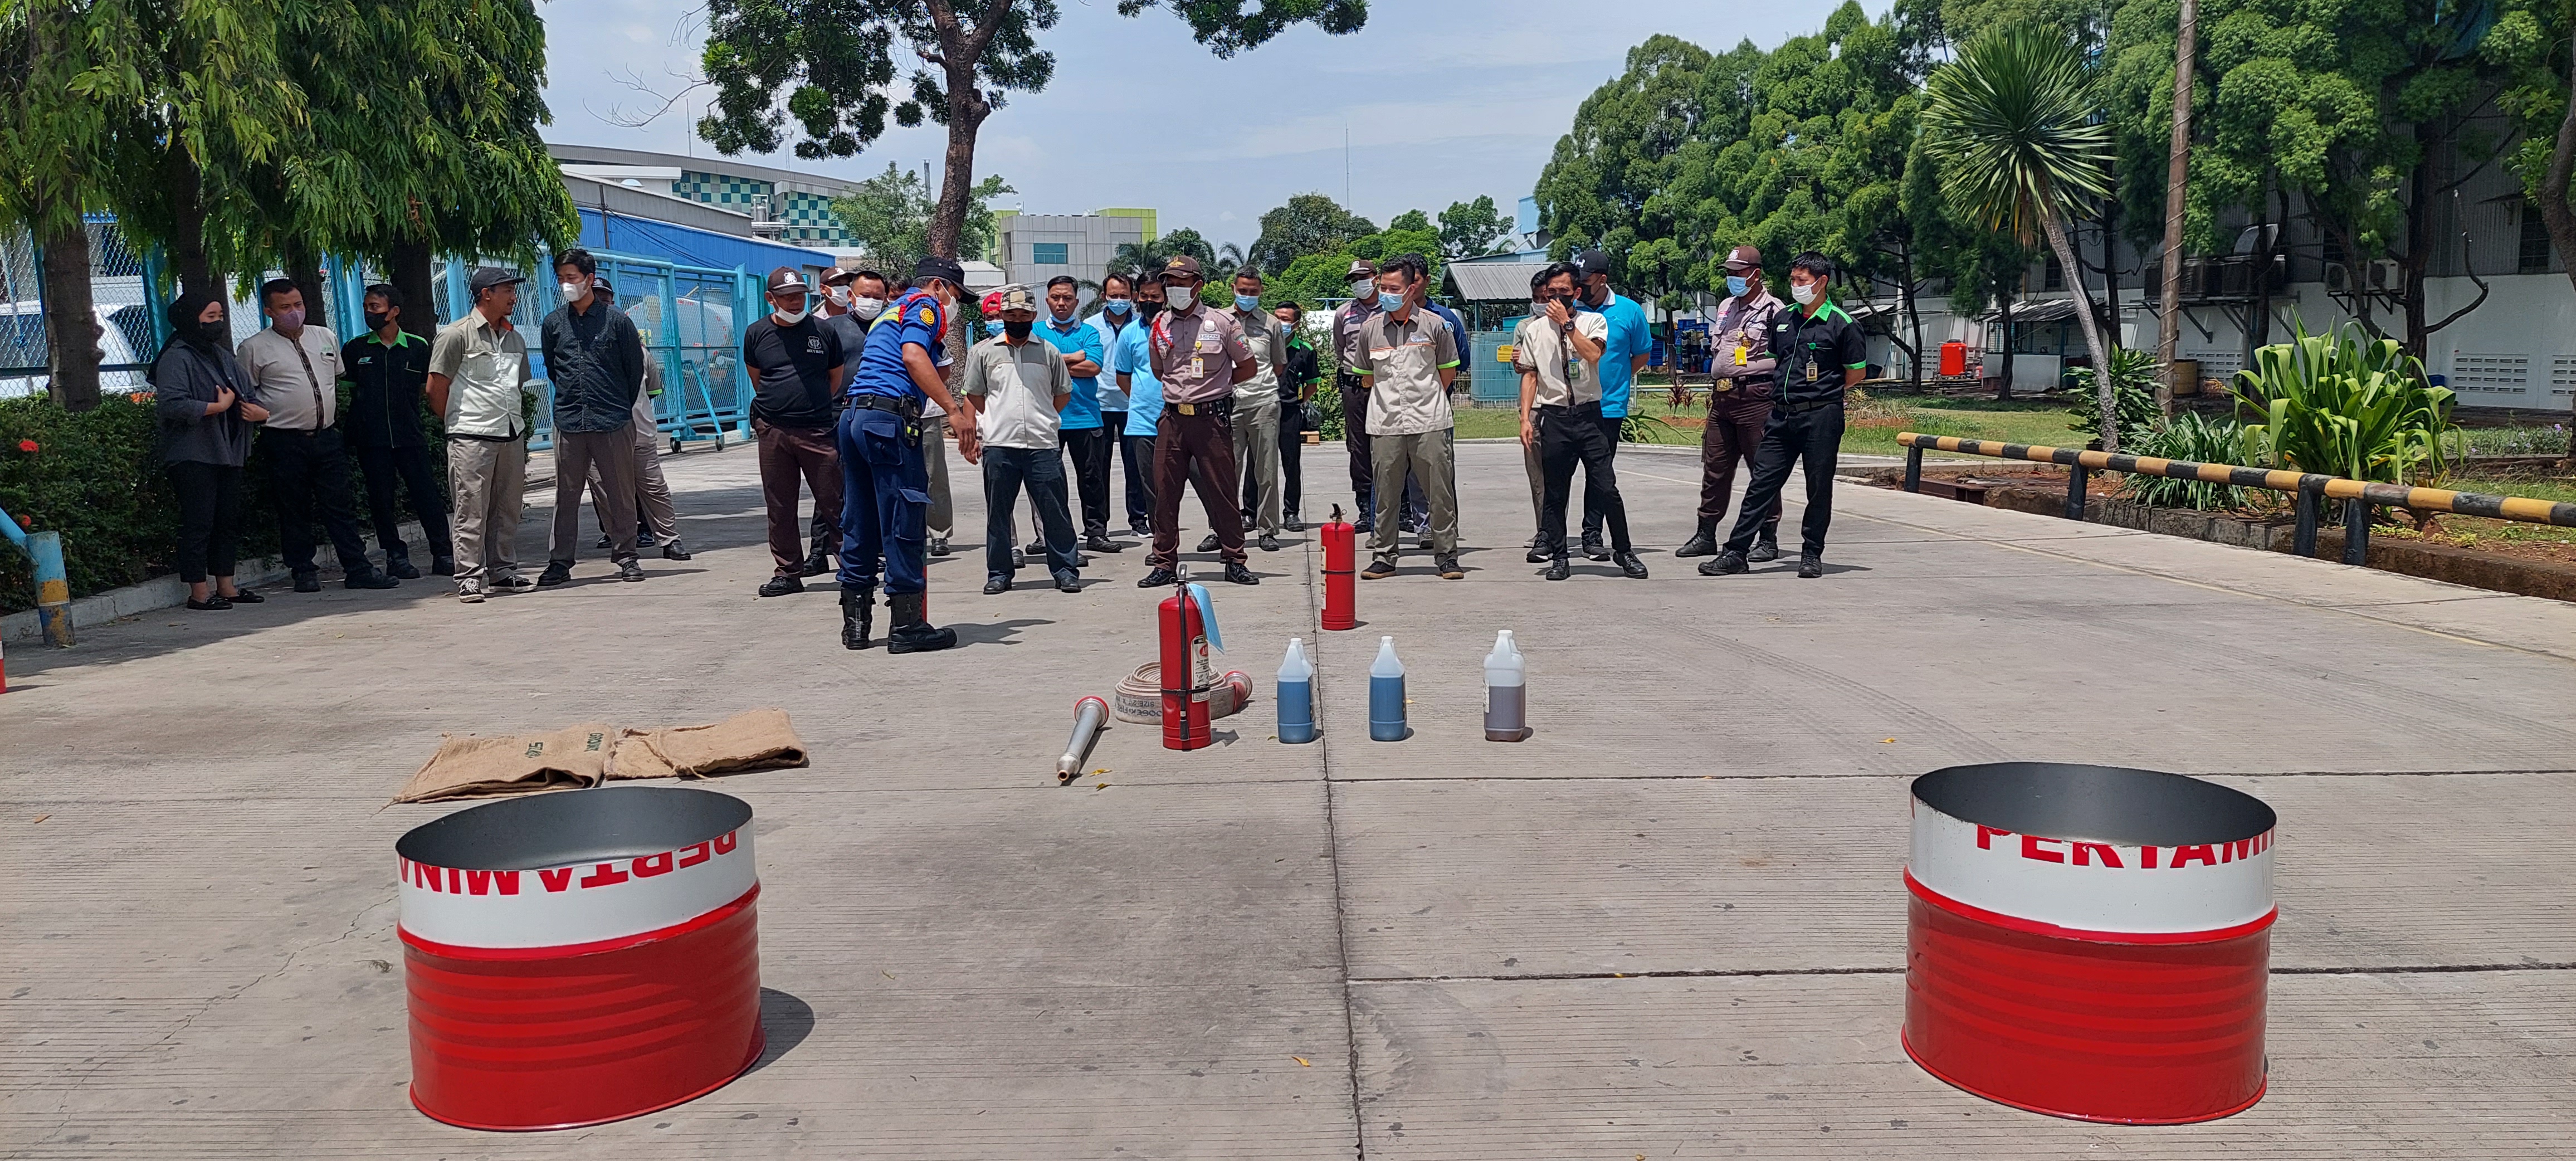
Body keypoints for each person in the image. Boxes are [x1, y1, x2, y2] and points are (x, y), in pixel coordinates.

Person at [835, 255, 976, 653]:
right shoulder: (925, 305)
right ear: (938, 286)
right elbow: (914, 357)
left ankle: (857, 626)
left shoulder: (891, 311)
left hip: (854, 417)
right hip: (888, 422)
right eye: (955, 295)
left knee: (860, 520)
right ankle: (907, 625)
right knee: (904, 518)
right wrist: (954, 411)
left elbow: (924, 364)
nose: (954, 303)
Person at [1704, 251, 1866, 580]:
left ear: (1821, 282)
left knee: (1818, 487)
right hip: (1781, 416)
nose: (1795, 286)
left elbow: (1855, 374)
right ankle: (1736, 552)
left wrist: (1821, 393)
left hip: (1820, 417)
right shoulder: (1784, 320)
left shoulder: (1842, 324)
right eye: (1792, 280)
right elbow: (1779, 361)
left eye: (1801, 281)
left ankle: (1811, 554)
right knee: (1761, 483)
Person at [237, 278, 398, 592]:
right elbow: (246, 393)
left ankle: (357, 568)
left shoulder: (324, 336)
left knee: (340, 505)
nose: (294, 312)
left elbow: (335, 378)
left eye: (298, 305)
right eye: (285, 307)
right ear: (269, 311)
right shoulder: (254, 348)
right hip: (284, 439)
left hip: (326, 436)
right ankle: (303, 570)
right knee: (293, 507)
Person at [1516, 262, 1647, 580]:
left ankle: (1624, 551)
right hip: (1555, 417)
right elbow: (1530, 375)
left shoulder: (1594, 321)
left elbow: (1592, 356)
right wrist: (1525, 418)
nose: (1556, 298)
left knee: (1606, 487)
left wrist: (1568, 325)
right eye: (1551, 293)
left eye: (1563, 292)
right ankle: (1560, 556)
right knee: (1556, 492)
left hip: (1590, 417)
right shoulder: (1534, 331)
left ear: (1576, 292)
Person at [1136, 256, 1259, 587]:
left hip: (1212, 420)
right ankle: (1164, 562)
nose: (1175, 288)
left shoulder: (1222, 323)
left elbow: (1248, 367)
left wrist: (1216, 386)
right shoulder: (1159, 325)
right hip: (1173, 420)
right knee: (1165, 492)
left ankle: (1234, 558)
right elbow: (1160, 370)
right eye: (1170, 283)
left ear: (1198, 285)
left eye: (1181, 282)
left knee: (1222, 491)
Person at [427, 267, 540, 603]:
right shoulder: (456, 335)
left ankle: (503, 572)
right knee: (471, 508)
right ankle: (469, 576)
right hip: (471, 436)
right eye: (507, 290)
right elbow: (436, 388)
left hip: (510, 432)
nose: (513, 297)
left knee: (507, 508)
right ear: (486, 293)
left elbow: (517, 385)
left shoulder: (515, 337)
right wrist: (459, 422)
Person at [538, 248, 649, 585]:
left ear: (589, 279)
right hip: (570, 421)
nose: (566, 284)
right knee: (566, 495)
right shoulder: (554, 323)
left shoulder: (618, 322)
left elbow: (633, 373)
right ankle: (560, 562)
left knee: (619, 492)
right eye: (561, 279)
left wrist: (616, 406)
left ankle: (627, 555)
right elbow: (554, 370)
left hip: (612, 420)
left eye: (572, 278)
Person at [960, 284, 1080, 594]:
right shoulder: (984, 352)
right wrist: (993, 421)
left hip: (1042, 444)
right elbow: (975, 394)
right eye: (1011, 313)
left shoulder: (1049, 351)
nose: (1017, 319)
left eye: (1024, 314)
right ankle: (999, 572)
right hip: (1000, 445)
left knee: (1055, 511)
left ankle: (1066, 570)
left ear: (1034, 315)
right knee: (999, 512)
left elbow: (1061, 394)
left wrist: (1041, 417)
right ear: (1002, 315)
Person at [1352, 256, 1464, 580]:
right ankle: (1384, 556)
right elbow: (1366, 377)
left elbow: (1447, 372)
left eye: (1393, 288)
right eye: (1382, 287)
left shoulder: (1435, 325)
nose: (1386, 293)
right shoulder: (1370, 330)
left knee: (1440, 493)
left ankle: (1447, 556)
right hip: (1385, 424)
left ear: (1412, 288)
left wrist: (1423, 399)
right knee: (1386, 494)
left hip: (1430, 421)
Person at [153, 292, 264, 610]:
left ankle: (227, 586)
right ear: (191, 319)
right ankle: (199, 593)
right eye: (210, 317)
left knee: (226, 520)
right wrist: (217, 407)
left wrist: (257, 411)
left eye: (219, 317)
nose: (217, 323)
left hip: (228, 451)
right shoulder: (177, 356)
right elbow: (173, 403)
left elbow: (246, 390)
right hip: (194, 454)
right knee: (199, 522)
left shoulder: (219, 354)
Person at [744, 266, 847, 598]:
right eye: (787, 297)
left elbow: (835, 378)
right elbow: (758, 378)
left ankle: (851, 566)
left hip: (817, 430)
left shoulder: (824, 332)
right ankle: (788, 572)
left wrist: (811, 408)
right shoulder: (756, 333)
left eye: (799, 296)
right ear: (770, 299)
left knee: (835, 501)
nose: (794, 302)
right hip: (773, 430)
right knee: (780, 505)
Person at [338, 284, 453, 580]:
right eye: (366, 307)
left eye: (375, 307)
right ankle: (395, 556)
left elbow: (427, 390)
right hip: (372, 440)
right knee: (381, 499)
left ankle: (443, 553)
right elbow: (351, 393)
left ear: (395, 311)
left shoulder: (417, 348)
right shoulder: (355, 349)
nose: (369, 312)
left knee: (426, 494)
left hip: (409, 435)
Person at [1676, 245, 1784, 561]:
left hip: (1756, 397)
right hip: (1722, 398)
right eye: (1729, 272)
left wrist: (1753, 373)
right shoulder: (1726, 306)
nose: (1732, 278)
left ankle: (1767, 538)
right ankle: (1706, 533)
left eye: (1738, 272)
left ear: (1755, 274)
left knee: (1762, 470)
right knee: (1715, 468)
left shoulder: (1774, 310)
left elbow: (1784, 358)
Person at [584, 277, 691, 564]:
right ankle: (623, 544)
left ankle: (669, 540)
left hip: (639, 433)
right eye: (596, 300)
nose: (603, 307)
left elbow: (653, 390)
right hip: (598, 432)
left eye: (606, 301)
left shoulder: (638, 348)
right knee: (607, 492)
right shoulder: (579, 346)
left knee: (653, 487)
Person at [1571, 248, 1653, 560]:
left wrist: (1619, 378)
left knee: (1599, 475)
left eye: (1585, 281)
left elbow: (1642, 354)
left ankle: (1592, 535)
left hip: (1608, 408)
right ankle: (1549, 536)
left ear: (1602, 280)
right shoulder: (1571, 312)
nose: (1580, 287)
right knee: (1560, 473)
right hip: (1570, 405)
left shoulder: (1629, 312)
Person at [1037, 276, 1120, 554]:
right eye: (1056, 298)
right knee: (1047, 481)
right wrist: (1075, 357)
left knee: (1092, 479)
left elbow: (1094, 367)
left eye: (1068, 298)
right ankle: (1048, 535)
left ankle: (1097, 532)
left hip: (1086, 417)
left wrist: (1053, 363)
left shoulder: (1089, 332)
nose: (1062, 303)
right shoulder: (1036, 332)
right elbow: (1036, 367)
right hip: (1047, 420)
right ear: (1047, 300)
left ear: (1076, 301)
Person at [1216, 267, 1289, 553]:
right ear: (1233, 288)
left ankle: (1268, 529)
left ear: (1261, 291)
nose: (1247, 296)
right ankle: (1222, 529)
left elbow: (1278, 365)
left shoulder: (1271, 324)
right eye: (1243, 290)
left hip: (1263, 404)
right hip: (1228, 404)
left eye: (1253, 291)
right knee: (1224, 472)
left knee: (1267, 471)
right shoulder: (1218, 320)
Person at [1087, 273, 1149, 537]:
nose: (1119, 301)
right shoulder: (1090, 327)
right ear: (1104, 297)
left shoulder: (1142, 326)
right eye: (1114, 296)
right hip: (1099, 405)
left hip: (1132, 406)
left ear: (1133, 297)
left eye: (1124, 296)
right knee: (1097, 469)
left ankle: (1139, 520)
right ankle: (1098, 524)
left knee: (1136, 467)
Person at [1111, 272, 1167, 542]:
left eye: (1155, 296)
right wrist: (1142, 398)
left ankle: (1223, 537)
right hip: (1142, 422)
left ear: (1165, 298)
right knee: (1151, 488)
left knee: (1201, 482)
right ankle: (1162, 544)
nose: (1149, 301)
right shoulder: (1129, 334)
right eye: (1144, 296)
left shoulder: (1176, 328)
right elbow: (1123, 376)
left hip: (1179, 419)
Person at [1329, 260, 1382, 533]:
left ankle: (1399, 509)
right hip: (1355, 386)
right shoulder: (1343, 313)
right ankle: (1364, 507)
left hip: (1386, 387)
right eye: (1354, 279)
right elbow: (1341, 350)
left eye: (1364, 276)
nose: (1359, 283)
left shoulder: (1391, 308)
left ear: (1376, 277)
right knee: (1359, 447)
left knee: (1393, 446)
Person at [1268, 301, 1322, 531]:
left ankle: (1291, 513)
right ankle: (1250, 513)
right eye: (1277, 317)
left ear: (1296, 324)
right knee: (1257, 464)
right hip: (1263, 409)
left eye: (1286, 319)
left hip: (1290, 411)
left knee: (1291, 463)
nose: (1281, 323)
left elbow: (1312, 385)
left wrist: (1298, 403)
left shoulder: (1306, 351)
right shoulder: (1264, 346)